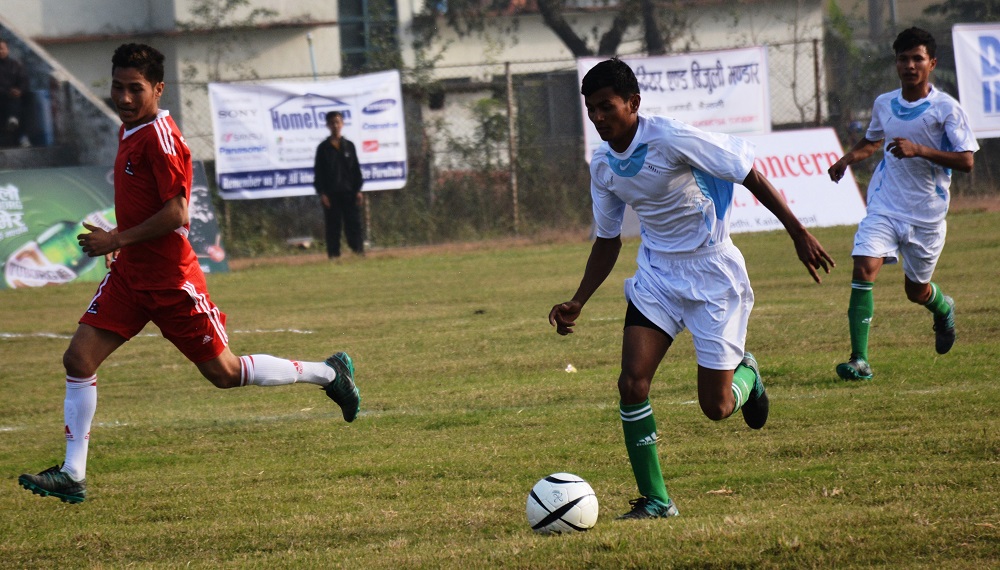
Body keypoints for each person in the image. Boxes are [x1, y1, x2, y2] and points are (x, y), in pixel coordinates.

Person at [18, 44, 361, 505]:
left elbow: (177, 213)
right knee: (78, 360)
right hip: (130, 277)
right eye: (117, 87)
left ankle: (327, 373)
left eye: (135, 89)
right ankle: (72, 474)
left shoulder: (162, 138)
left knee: (225, 373)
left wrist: (117, 237)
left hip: (171, 282)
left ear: (158, 88)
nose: (124, 98)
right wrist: (121, 240)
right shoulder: (130, 128)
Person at [548, 58, 834, 520]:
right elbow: (608, 239)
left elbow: (747, 172)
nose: (598, 117)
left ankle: (748, 376)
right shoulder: (602, 164)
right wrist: (578, 299)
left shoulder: (671, 138)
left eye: (606, 107)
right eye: (591, 109)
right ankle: (657, 501)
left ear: (633, 103)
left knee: (716, 407)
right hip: (657, 275)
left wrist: (798, 233)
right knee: (631, 383)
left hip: (712, 272)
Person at [827, 27, 978, 381]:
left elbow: (967, 160)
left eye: (917, 59)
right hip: (885, 205)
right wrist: (847, 159)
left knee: (916, 291)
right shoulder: (884, 103)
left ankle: (942, 307)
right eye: (903, 59)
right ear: (896, 63)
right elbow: (872, 142)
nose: (910, 65)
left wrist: (920, 149)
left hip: (927, 215)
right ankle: (859, 360)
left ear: (931, 63)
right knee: (864, 266)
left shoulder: (946, 109)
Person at [314, 110, 365, 259]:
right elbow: (319, 172)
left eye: (337, 122)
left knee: (353, 225)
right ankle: (334, 256)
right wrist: (322, 193)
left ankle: (358, 253)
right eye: (332, 123)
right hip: (331, 195)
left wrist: (358, 190)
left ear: (342, 124)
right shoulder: (323, 148)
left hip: (349, 193)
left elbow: (355, 170)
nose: (335, 125)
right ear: (328, 125)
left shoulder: (349, 146)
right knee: (333, 227)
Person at [0, 39, 30, 147]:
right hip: (2, 97)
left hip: (15, 98)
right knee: (12, 101)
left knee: (19, 100)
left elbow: (24, 81)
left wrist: (20, 90)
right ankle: (13, 121)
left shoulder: (15, 65)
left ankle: (21, 135)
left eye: (2, 49)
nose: (0, 51)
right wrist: (7, 92)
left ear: (7, 50)